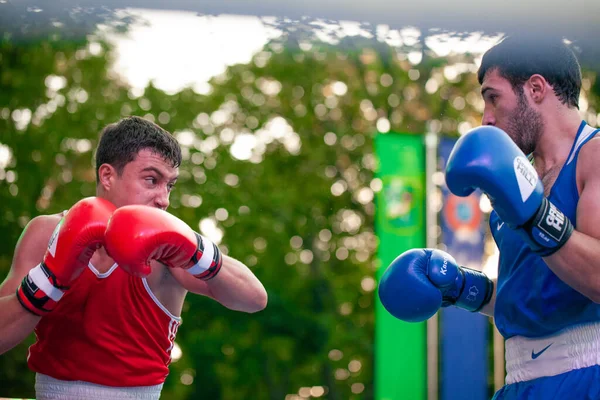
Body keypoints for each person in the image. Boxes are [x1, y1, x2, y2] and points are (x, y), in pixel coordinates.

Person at [378, 35, 600, 399]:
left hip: (587, 376)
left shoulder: (594, 157)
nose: (486, 117)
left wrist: (535, 217)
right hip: (519, 383)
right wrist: (465, 289)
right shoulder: (514, 185)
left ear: (536, 88)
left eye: (493, 96)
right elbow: (533, 297)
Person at [0, 116, 268, 399]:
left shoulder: (168, 247)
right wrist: (49, 280)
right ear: (107, 176)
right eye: (152, 180)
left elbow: (254, 299)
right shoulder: (46, 232)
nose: (163, 198)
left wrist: (198, 252)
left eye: (170, 185)